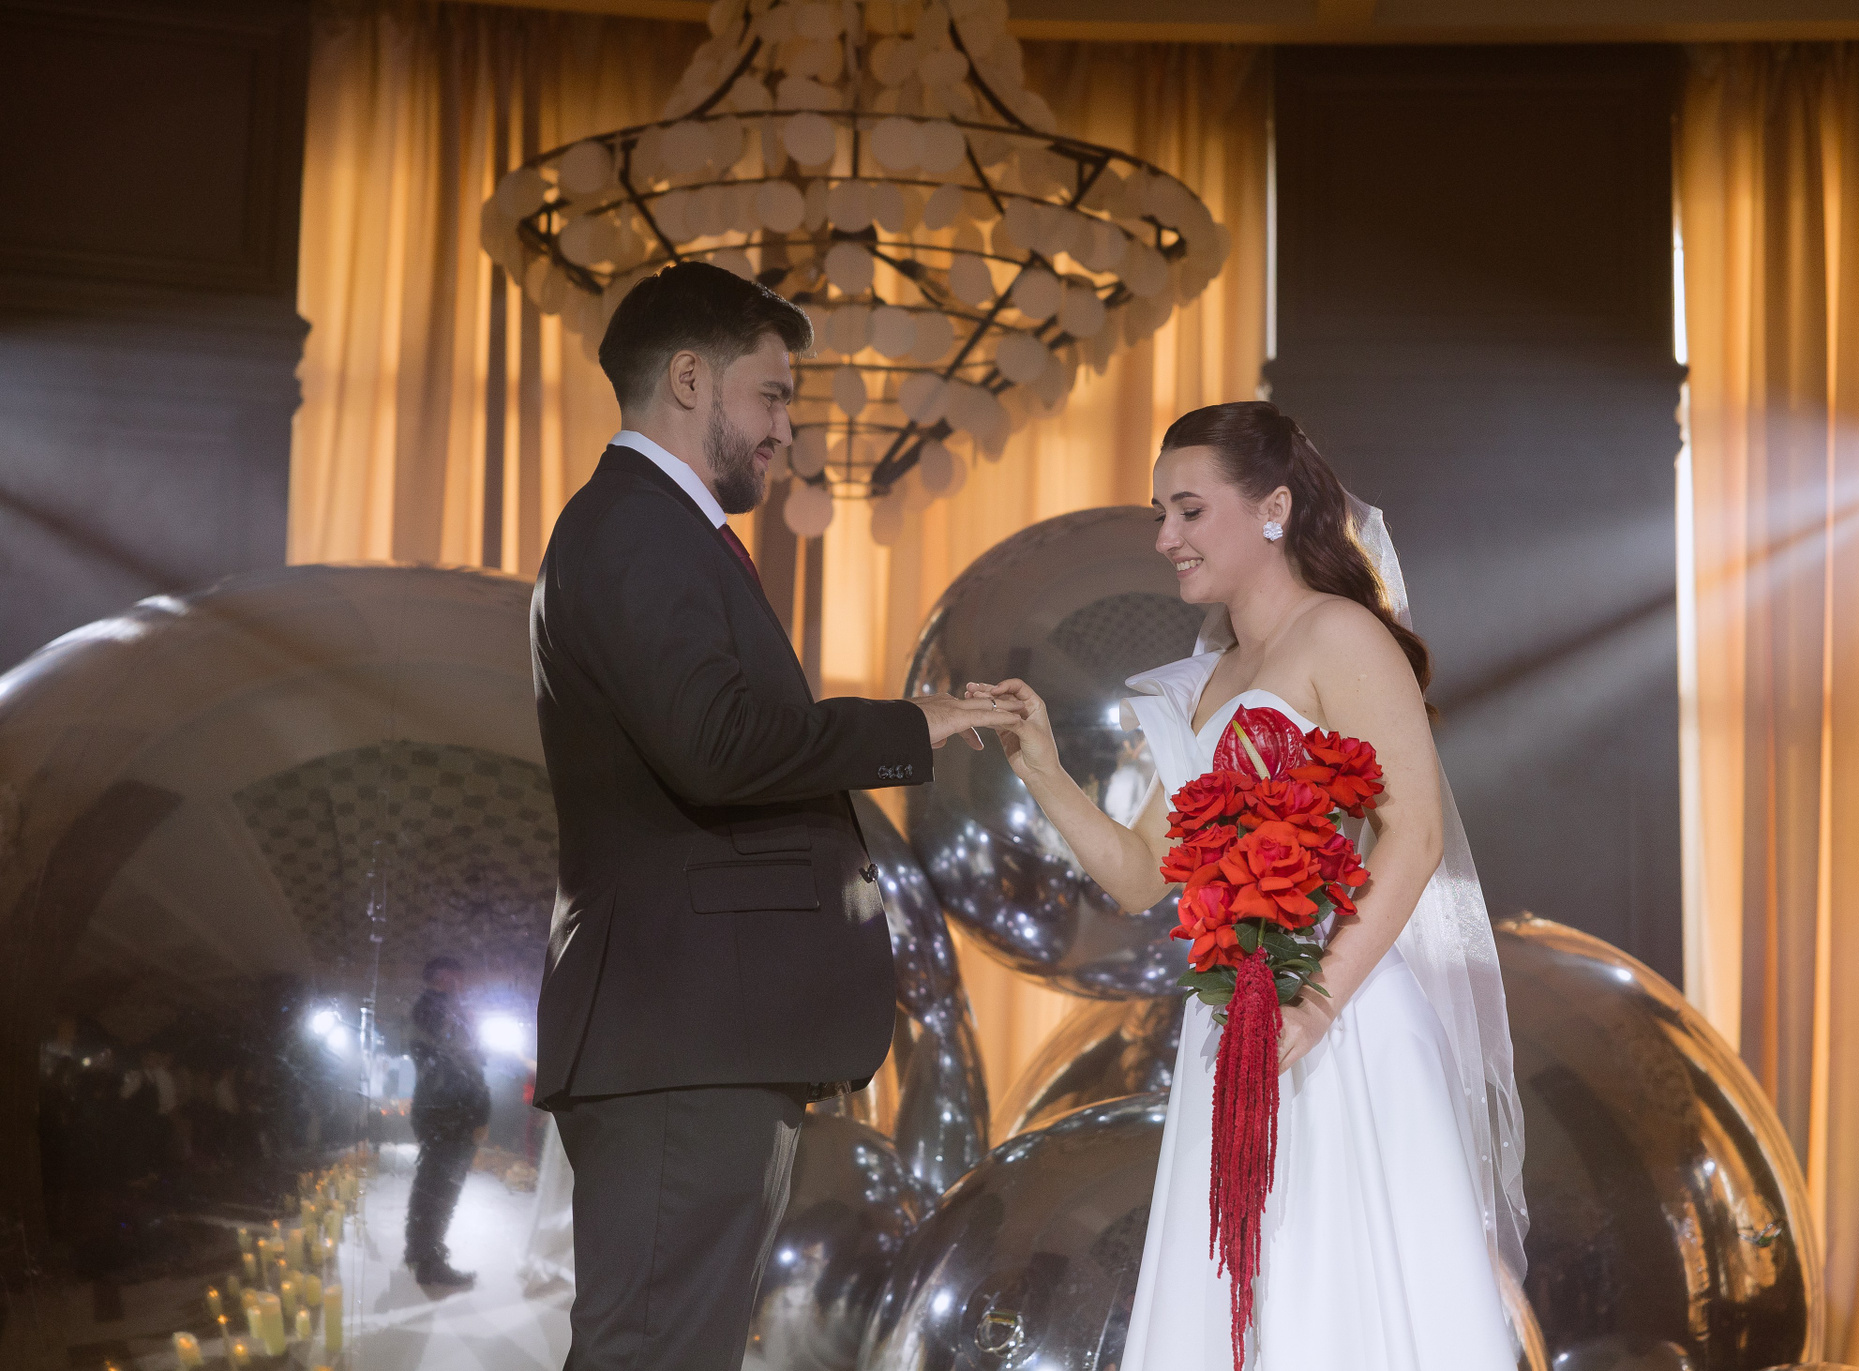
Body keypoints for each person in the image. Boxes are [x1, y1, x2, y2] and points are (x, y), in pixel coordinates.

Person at [966, 401, 1527, 1369]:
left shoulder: (1339, 634)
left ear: (1273, 509)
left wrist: (1315, 1003)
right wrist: (1042, 766)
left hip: (1339, 1021)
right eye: (1161, 514)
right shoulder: (1210, 676)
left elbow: (1417, 835)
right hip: (1231, 1028)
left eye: (1189, 511)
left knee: (1339, 1296)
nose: (1164, 538)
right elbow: (1138, 877)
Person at [530, 261, 1011, 1371]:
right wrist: (912, 724)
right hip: (683, 1039)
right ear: (689, 380)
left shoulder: (658, 527)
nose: (788, 430)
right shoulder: (635, 526)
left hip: (700, 1037)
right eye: (774, 395)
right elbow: (717, 745)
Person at [406, 955, 491, 1289]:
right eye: (455, 979)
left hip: (444, 1112)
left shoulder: (432, 1011)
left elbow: (465, 1060)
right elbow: (459, 1065)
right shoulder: (437, 1011)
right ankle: (430, 1263)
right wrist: (478, 1111)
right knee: (440, 1190)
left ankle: (420, 1251)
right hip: (451, 1114)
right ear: (441, 978)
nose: (461, 986)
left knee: (433, 1185)